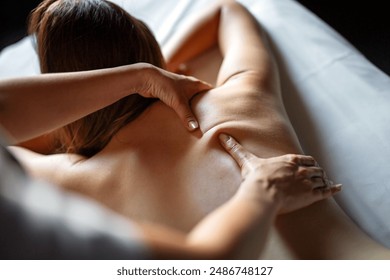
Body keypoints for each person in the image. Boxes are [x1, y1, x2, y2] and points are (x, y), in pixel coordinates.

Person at [6, 0, 390, 259]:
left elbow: (11, 131)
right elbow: (228, 10)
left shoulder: (66, 178)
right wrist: (156, 73)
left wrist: (80, 128)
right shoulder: (237, 99)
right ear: (148, 48)